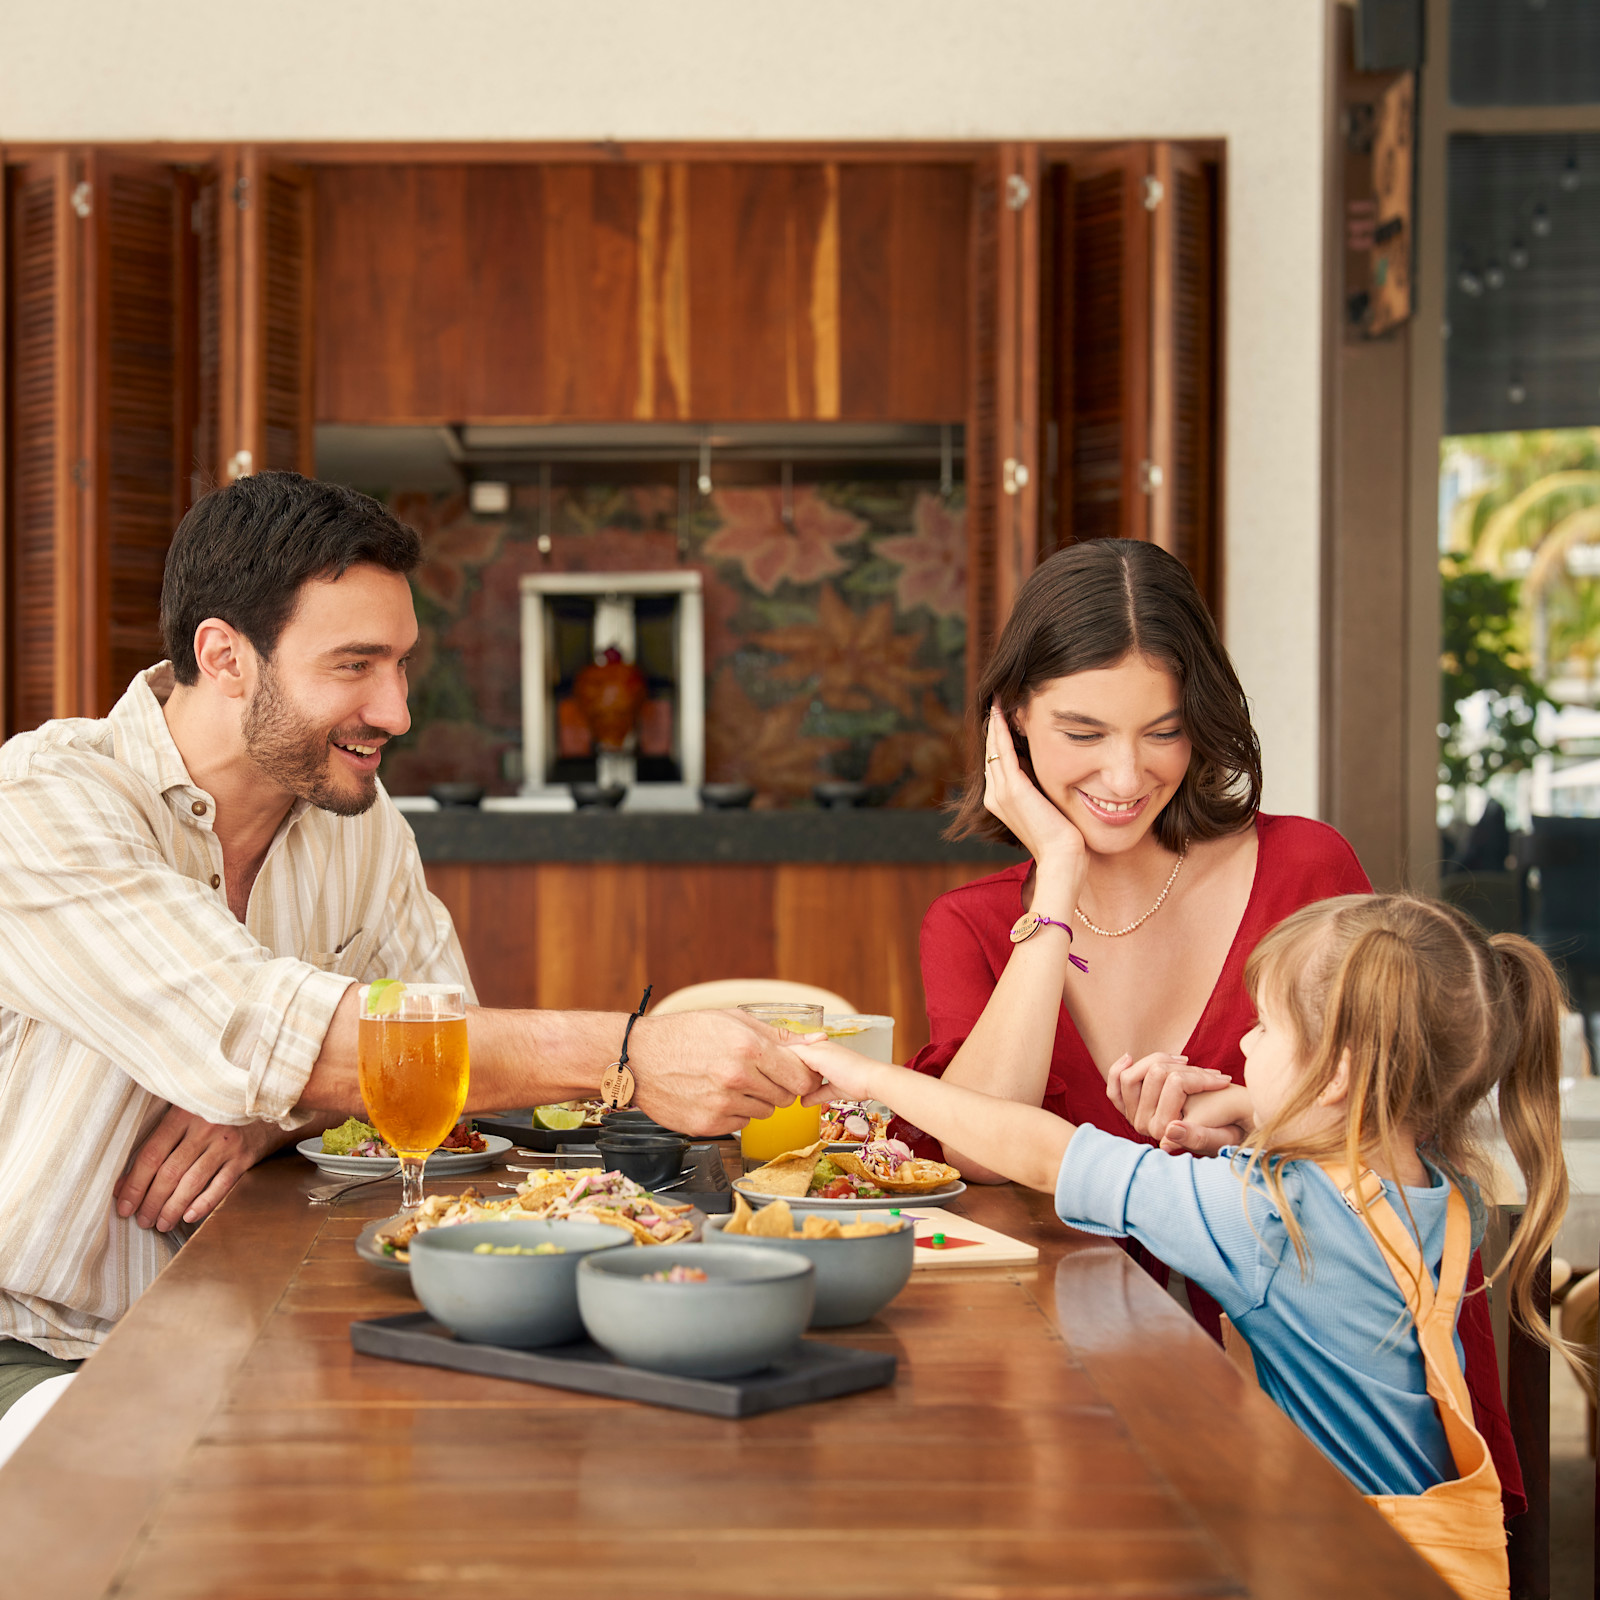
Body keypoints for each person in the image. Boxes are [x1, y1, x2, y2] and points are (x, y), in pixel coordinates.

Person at [0, 472, 818, 1436]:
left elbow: (439, 1053)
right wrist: (631, 1055)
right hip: (45, 1344)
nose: (396, 711)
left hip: (257, 1317)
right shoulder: (40, 807)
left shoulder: (360, 819)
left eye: (400, 664)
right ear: (224, 657)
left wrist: (270, 1115)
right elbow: (263, 1028)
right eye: (354, 665)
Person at [897, 538, 1524, 1513]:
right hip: (1074, 1402)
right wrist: (1054, 875)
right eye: (1081, 730)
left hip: (1343, 1432)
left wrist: (1270, 1129)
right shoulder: (976, 925)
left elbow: (1403, 1123)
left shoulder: (1306, 869)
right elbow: (972, 1147)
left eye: (1163, 730)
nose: (1124, 771)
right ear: (1010, 719)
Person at [798, 893, 1574, 1600]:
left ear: (1337, 1076)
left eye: (1267, 1027)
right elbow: (1339, 1148)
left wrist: (869, 1078)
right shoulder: (1440, 1188)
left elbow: (1041, 1152)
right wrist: (1258, 1110)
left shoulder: (1265, 1217)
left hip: (1338, 1563)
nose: (1245, 1039)